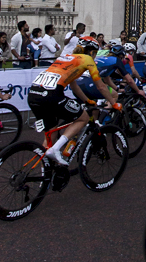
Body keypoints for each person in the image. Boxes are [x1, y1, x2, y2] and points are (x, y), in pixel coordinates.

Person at [27, 36, 120, 165]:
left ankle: (45, 169)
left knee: (50, 133)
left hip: (33, 94)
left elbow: (74, 85)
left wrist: (87, 100)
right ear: (92, 52)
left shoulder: (65, 57)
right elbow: (101, 86)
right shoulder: (87, 59)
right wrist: (114, 103)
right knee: (83, 118)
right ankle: (55, 150)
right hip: (51, 95)